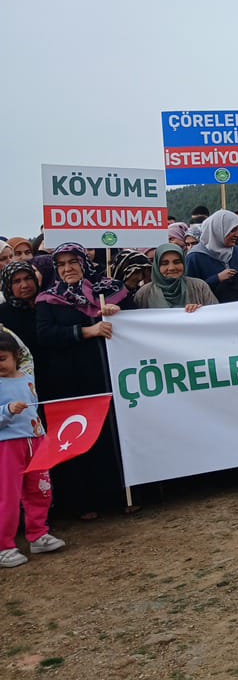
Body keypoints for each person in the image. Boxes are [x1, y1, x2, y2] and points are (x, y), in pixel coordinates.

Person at [35, 243, 132, 519]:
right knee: (80, 437)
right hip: (73, 381)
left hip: (109, 376)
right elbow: (46, 335)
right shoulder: (48, 299)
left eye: (73, 262)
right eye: (62, 264)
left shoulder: (110, 290)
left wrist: (118, 312)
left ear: (83, 262)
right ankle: (87, 502)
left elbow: (136, 321)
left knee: (112, 434)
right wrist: (87, 331)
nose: (68, 269)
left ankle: (122, 495)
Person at [0, 332, 64, 569]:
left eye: (2, 358)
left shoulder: (26, 377)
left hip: (35, 442)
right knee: (8, 496)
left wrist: (44, 437)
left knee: (40, 490)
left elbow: (33, 412)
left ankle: (38, 534)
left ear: (15, 357)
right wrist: (7, 410)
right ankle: (4, 546)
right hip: (7, 446)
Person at [133, 244, 217, 311]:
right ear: (157, 266)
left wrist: (200, 311)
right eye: (165, 263)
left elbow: (215, 315)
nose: (172, 268)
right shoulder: (144, 294)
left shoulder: (199, 287)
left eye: (177, 262)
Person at [185, 209, 238, 298]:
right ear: (217, 230)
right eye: (232, 230)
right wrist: (217, 278)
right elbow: (191, 290)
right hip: (210, 309)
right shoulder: (195, 257)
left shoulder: (237, 251)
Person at [0, 262, 40, 349]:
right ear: (8, 286)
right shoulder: (3, 314)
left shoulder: (46, 305)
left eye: (28, 278)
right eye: (16, 281)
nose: (25, 285)